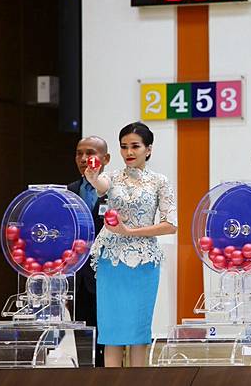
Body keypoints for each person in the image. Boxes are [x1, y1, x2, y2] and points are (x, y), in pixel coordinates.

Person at [85, 122, 177, 367]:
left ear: (149, 149)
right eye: (124, 147)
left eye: (135, 146)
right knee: (111, 333)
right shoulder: (112, 177)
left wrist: (130, 231)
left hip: (144, 261)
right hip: (111, 260)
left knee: (138, 333)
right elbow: (101, 185)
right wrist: (92, 177)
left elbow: (170, 225)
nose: (129, 152)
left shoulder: (160, 181)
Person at [68, 136, 111, 366]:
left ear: (106, 158)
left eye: (90, 153)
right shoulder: (68, 192)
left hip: (109, 274)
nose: (84, 158)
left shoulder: (115, 191)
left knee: (110, 337)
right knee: (83, 342)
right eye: (79, 153)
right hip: (78, 278)